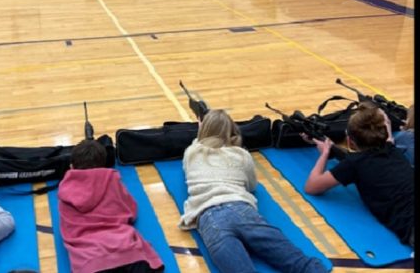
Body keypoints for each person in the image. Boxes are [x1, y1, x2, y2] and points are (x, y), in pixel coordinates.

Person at [178, 109, 327, 273]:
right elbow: (251, 185)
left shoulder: (191, 152)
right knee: (300, 263)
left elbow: (197, 145)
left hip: (209, 216)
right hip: (241, 209)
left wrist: (202, 131)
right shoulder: (241, 155)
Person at [304, 102, 414, 247]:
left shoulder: (354, 163)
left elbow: (312, 187)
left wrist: (324, 153)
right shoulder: (392, 149)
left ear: (350, 141)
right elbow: (386, 130)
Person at [58, 140, 164, 273]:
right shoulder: (112, 180)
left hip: (89, 262)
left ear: (71, 167)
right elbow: (131, 211)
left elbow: (67, 228)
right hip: (128, 254)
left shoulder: (66, 191)